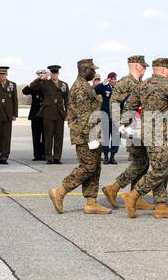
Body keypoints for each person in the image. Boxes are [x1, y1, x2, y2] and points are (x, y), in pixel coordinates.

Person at [122, 58, 168, 219]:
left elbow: (130, 107)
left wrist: (124, 124)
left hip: (145, 132)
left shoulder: (142, 86)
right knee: (160, 170)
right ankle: (134, 195)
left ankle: (161, 205)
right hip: (160, 134)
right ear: (163, 70)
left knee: (163, 167)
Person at [48, 59, 111, 215]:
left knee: (95, 167)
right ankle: (60, 191)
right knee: (88, 166)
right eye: (92, 70)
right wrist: (92, 137)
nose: (94, 73)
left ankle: (91, 202)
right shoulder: (81, 88)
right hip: (85, 135)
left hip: (91, 133)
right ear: (84, 70)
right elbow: (84, 116)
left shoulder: (86, 86)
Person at [102, 55, 154, 211]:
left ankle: (135, 196)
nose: (145, 69)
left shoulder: (139, 83)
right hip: (130, 128)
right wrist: (121, 124)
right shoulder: (126, 82)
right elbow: (114, 102)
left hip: (139, 127)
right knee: (141, 162)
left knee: (143, 162)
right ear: (136, 66)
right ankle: (114, 188)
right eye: (143, 66)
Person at [28, 66, 69, 165]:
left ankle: (57, 158)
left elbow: (67, 100)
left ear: (58, 74)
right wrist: (40, 78)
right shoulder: (44, 83)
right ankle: (49, 157)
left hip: (60, 113)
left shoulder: (64, 85)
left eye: (56, 73)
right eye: (53, 73)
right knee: (48, 136)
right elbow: (32, 87)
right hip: (48, 112)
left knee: (59, 136)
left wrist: (68, 113)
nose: (54, 75)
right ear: (50, 74)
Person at [95, 72, 120, 165]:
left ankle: (112, 156)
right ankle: (106, 156)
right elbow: (95, 90)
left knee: (115, 137)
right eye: (113, 79)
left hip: (116, 116)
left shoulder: (118, 89)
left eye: (115, 79)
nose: (114, 81)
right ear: (109, 79)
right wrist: (103, 83)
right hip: (105, 115)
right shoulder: (104, 87)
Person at [22, 70, 46, 162]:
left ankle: (44, 154)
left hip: (45, 114)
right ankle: (37, 155)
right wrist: (36, 80)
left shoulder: (48, 84)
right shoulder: (34, 84)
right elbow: (25, 91)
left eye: (42, 75)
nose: (41, 76)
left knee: (45, 136)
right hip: (35, 114)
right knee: (36, 136)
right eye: (39, 75)